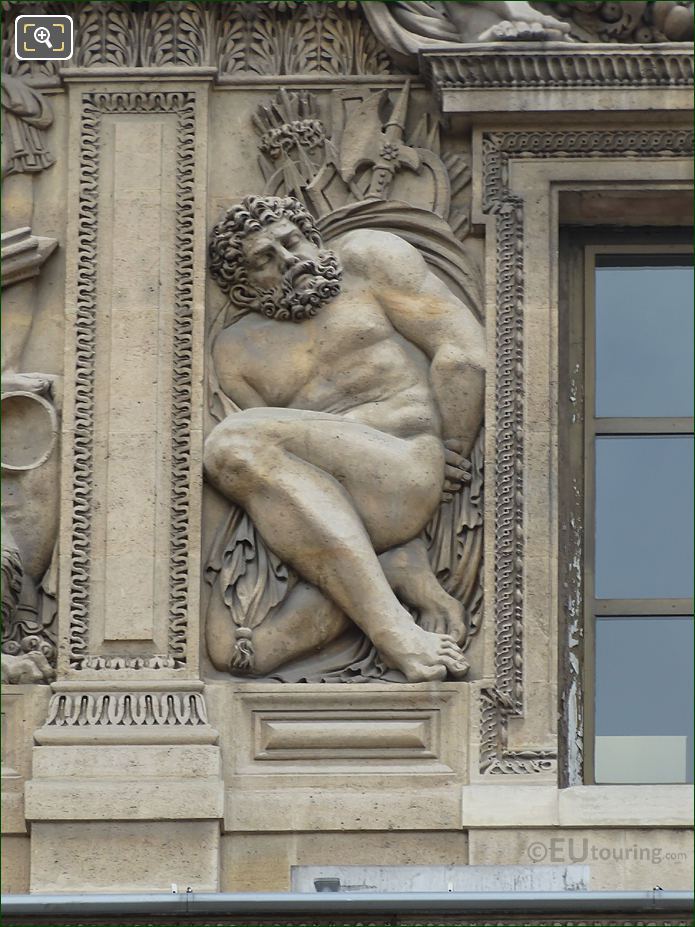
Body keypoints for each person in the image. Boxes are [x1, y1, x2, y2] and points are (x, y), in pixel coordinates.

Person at [205, 195, 485, 682]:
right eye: (264, 260)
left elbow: (462, 353)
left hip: (407, 461)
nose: (288, 260)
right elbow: (276, 478)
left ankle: (394, 631)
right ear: (247, 291)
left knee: (232, 445)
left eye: (291, 242)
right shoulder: (235, 351)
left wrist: (453, 450)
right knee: (234, 654)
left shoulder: (368, 259)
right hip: (333, 502)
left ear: (313, 238)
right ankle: (389, 567)